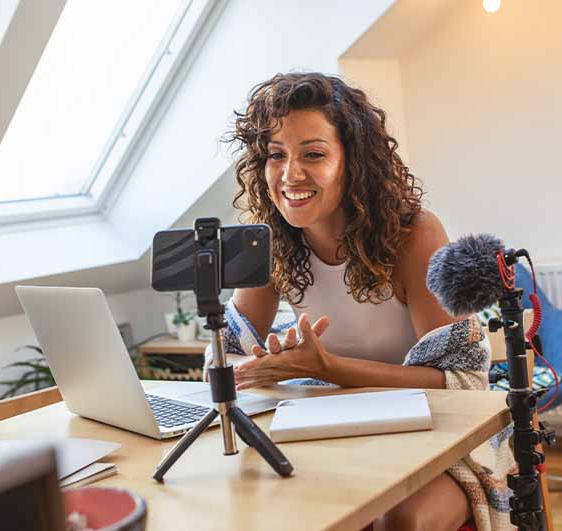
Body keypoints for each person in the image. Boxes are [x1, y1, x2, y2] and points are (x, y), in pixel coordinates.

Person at [216, 72, 514, 531]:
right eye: (276, 155)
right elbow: (227, 362)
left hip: (436, 429)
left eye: (313, 154)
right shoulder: (270, 243)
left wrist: (325, 368)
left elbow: (463, 381)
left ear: (354, 162)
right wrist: (256, 369)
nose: (290, 174)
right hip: (330, 426)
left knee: (403, 522)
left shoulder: (414, 234)